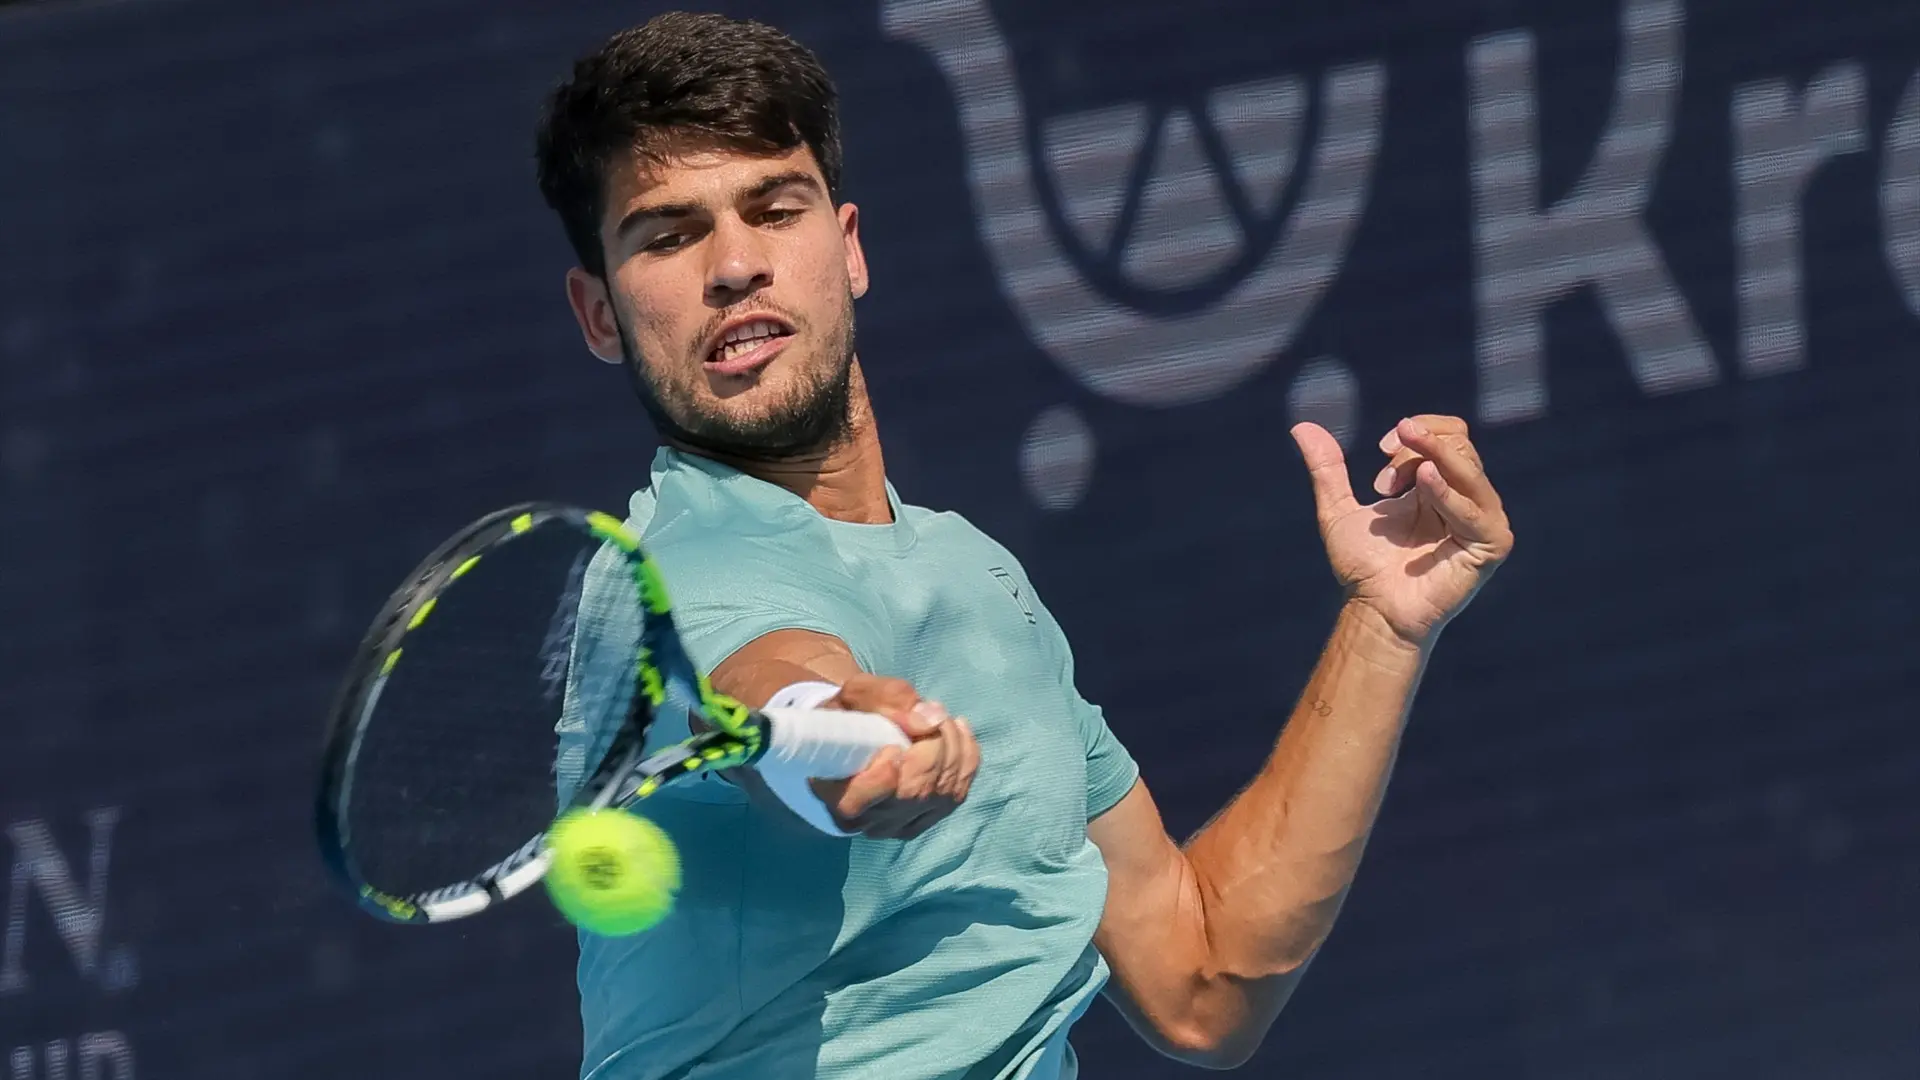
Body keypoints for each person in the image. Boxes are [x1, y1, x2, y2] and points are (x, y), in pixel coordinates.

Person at [536, 12, 1514, 1080]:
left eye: (774, 210)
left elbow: (1202, 981)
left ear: (849, 248)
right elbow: (775, 690)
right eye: (667, 236)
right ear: (600, 314)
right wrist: (846, 740)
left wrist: (1384, 625)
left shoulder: (977, 577)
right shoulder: (665, 583)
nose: (735, 264)